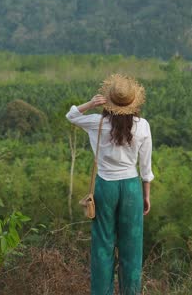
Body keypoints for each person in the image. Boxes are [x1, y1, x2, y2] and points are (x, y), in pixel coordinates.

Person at [66, 74, 153, 295]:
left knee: (103, 245)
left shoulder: (97, 122)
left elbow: (72, 115)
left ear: (108, 100)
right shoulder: (142, 125)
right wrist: (146, 195)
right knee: (131, 248)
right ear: (133, 103)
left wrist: (91, 104)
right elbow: (146, 167)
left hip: (105, 187)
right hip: (132, 188)